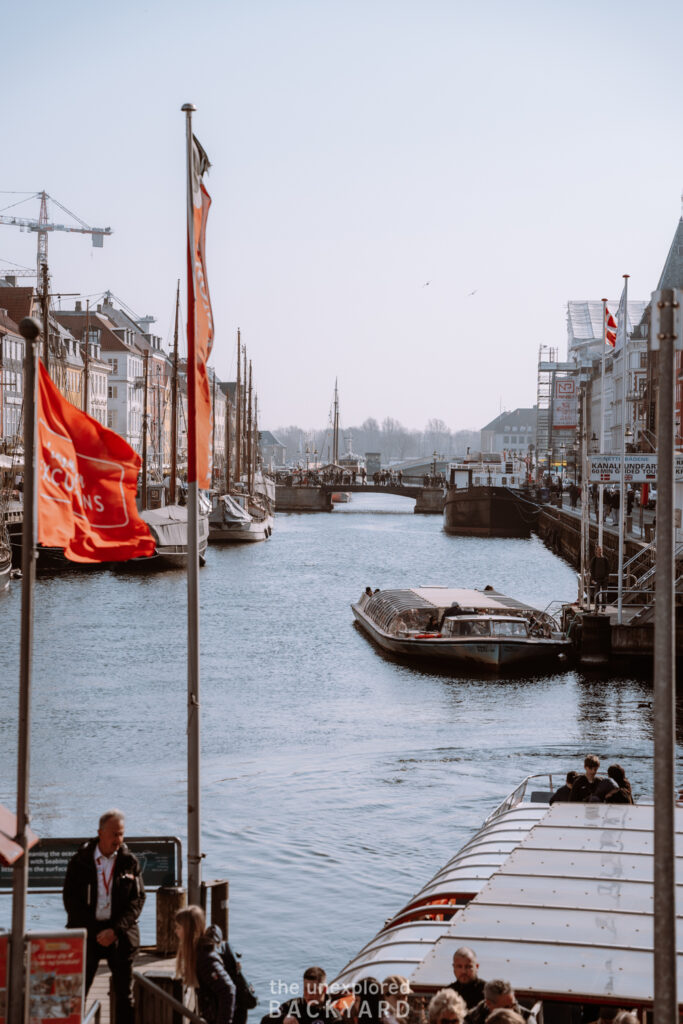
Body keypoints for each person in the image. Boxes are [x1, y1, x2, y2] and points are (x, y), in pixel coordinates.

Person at [62, 809, 145, 1024]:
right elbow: (71, 901)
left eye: (121, 834)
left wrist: (115, 931)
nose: (118, 840)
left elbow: (137, 901)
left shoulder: (130, 862)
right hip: (88, 935)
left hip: (119, 936)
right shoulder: (80, 861)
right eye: (114, 834)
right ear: (100, 833)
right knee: (75, 996)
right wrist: (96, 931)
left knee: (125, 998)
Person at [175, 905, 236, 1024]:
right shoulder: (197, 953)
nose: (176, 931)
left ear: (188, 930)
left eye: (178, 927)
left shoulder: (206, 960)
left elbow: (228, 990)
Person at [266, 967, 340, 1024]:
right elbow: (265, 1020)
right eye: (305, 989)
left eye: (312, 990)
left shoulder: (333, 1016)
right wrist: (283, 1018)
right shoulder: (294, 1005)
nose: (308, 994)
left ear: (324, 989)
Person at [465, 981, 533, 1024]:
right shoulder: (472, 1018)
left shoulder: (526, 1017)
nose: (512, 1011)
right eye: (506, 1008)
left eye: (513, 1005)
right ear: (488, 1003)